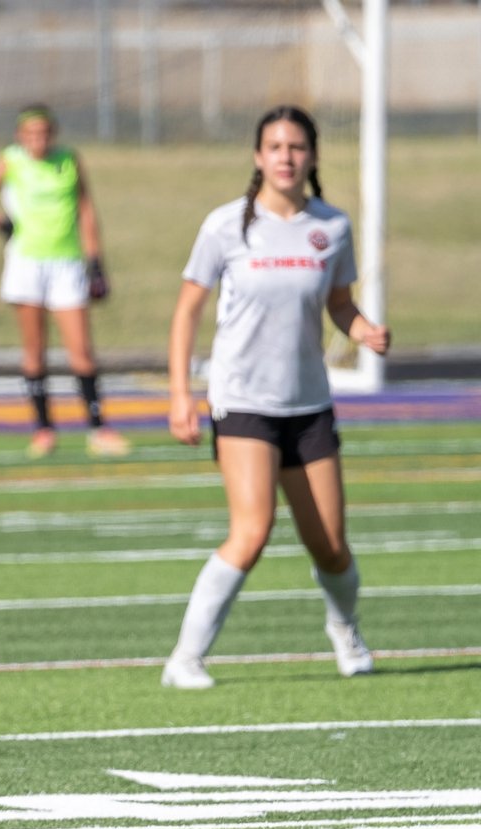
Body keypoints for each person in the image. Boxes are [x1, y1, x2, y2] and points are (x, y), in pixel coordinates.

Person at [161, 104, 391, 690]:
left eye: (296, 147)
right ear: (258, 156)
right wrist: (180, 394)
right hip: (243, 402)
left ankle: (344, 629)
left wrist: (363, 329)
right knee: (252, 531)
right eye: (275, 147)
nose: (286, 157)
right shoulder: (225, 226)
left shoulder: (331, 227)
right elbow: (187, 311)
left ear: (312, 156)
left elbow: (339, 303)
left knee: (331, 547)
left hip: (308, 406)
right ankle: (185, 659)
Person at [0, 104, 131, 460]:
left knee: (81, 351)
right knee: (35, 351)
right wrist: (0, 223)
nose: (38, 140)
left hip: (66, 262)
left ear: (53, 134)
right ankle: (43, 429)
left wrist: (95, 261)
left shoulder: (69, 160)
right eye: (31, 134)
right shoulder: (11, 161)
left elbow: (86, 210)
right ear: (20, 136)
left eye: (43, 133)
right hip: (27, 263)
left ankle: (98, 428)